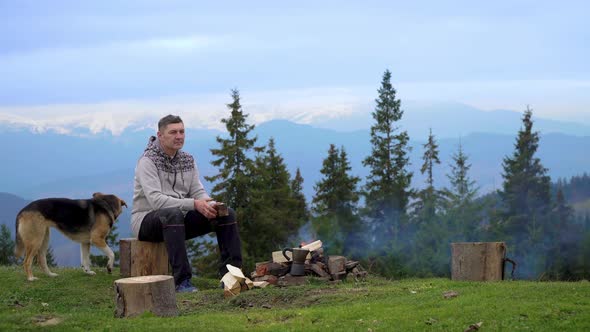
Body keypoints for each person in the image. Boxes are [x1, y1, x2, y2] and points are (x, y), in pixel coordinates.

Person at [131, 114, 242, 293]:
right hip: (147, 221)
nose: (179, 136)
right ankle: (182, 282)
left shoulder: (187, 159)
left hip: (177, 221)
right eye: (173, 132)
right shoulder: (147, 161)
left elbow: (197, 191)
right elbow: (156, 201)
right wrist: (194, 204)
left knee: (226, 214)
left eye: (182, 131)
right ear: (160, 135)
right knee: (172, 212)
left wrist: (209, 205)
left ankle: (232, 278)